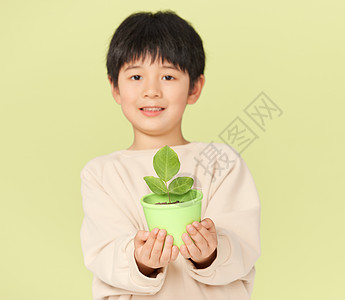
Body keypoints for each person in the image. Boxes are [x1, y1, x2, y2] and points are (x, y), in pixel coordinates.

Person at [79, 10, 260, 300]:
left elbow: (245, 247)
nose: (151, 91)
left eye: (168, 76)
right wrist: (141, 261)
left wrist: (210, 254)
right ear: (115, 87)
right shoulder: (100, 174)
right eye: (136, 76)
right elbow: (103, 255)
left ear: (195, 87)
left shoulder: (222, 163)